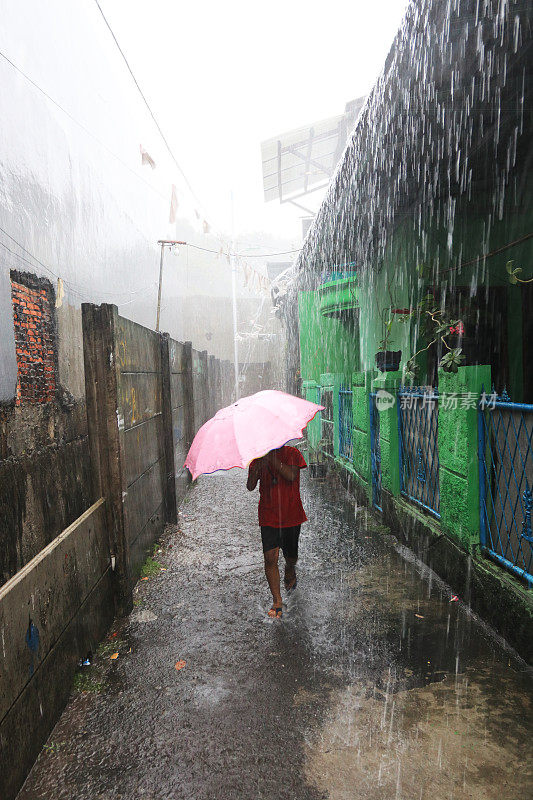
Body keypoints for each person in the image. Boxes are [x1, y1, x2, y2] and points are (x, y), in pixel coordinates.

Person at [247, 444, 307, 619]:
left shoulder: (293, 454)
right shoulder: (257, 459)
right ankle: (277, 601)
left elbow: (290, 475)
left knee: (291, 557)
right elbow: (250, 486)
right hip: (268, 515)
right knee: (270, 558)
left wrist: (271, 460)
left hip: (291, 515)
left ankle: (290, 568)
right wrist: (255, 471)